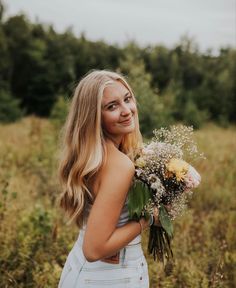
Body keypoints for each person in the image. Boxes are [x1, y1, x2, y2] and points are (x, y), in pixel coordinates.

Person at [58, 70, 160, 288]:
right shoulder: (119, 165)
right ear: (94, 116)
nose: (126, 111)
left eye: (127, 99)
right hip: (106, 278)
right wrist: (149, 219)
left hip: (85, 272)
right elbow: (94, 249)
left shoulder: (95, 156)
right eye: (111, 106)